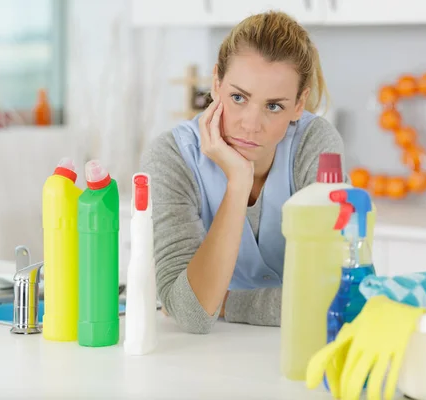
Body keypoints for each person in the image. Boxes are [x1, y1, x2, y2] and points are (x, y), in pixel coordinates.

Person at [140, 10, 346, 334]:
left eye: (273, 105)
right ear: (216, 83)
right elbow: (190, 313)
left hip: (300, 346)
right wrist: (238, 184)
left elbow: (333, 296)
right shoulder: (172, 158)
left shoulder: (314, 146)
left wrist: (225, 303)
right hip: (209, 355)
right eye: (238, 97)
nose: (251, 124)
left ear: (298, 104)